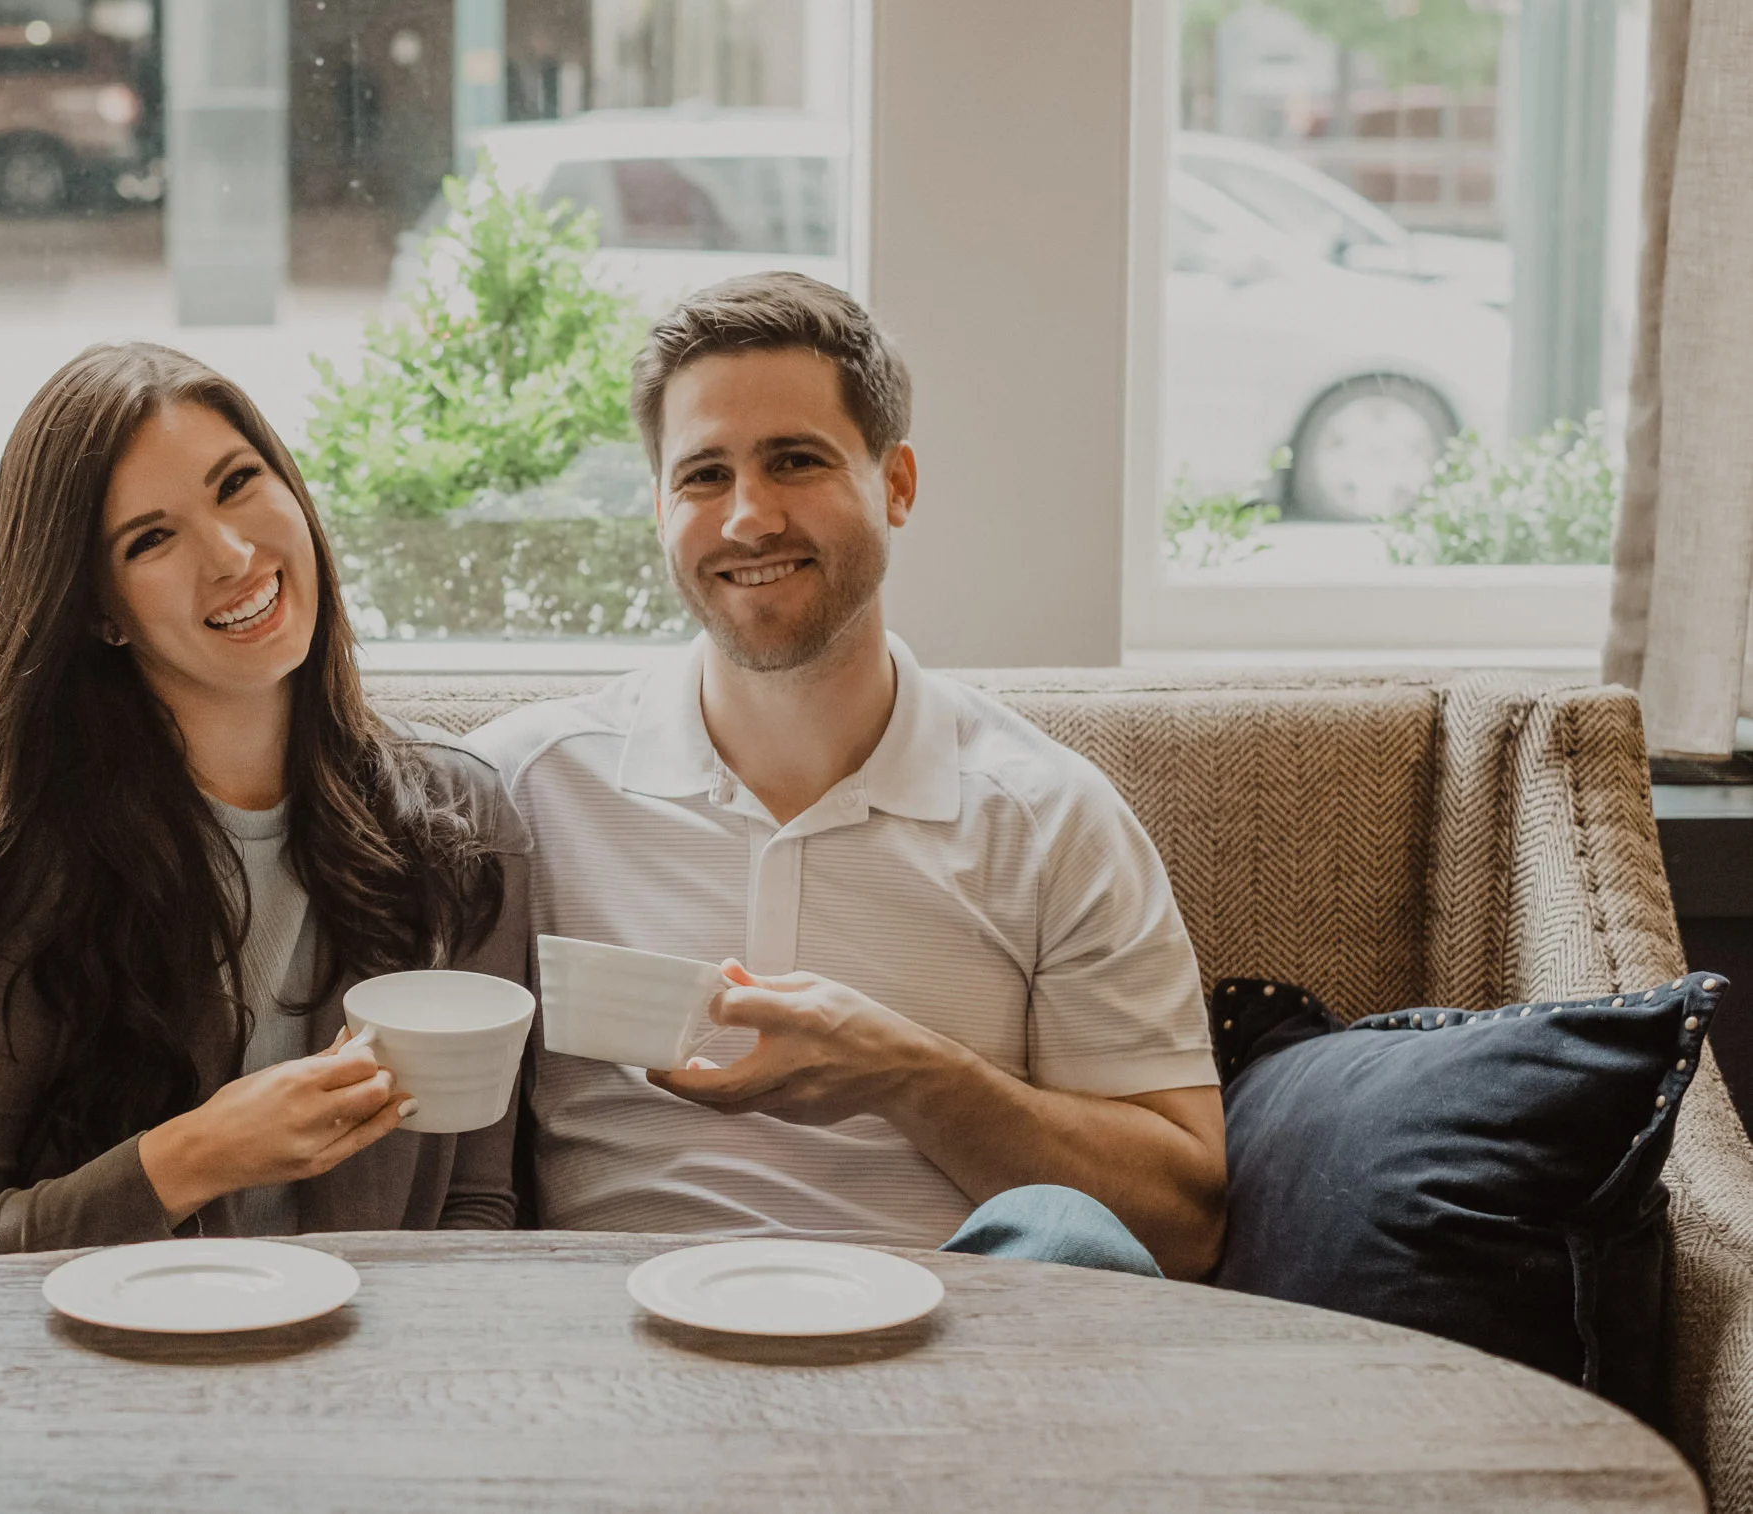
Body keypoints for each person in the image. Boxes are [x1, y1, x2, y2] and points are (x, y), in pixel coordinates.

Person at [470, 272, 1226, 1279]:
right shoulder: (517, 790)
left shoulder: (1052, 817)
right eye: (704, 476)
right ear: (658, 506)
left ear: (896, 484)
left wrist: (909, 1076)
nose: (748, 518)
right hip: (616, 1336)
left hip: (953, 1344)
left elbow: (1182, 1228)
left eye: (796, 461)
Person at [0, 341, 528, 1267]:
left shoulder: (461, 817)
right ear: (98, 611)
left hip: (378, 1348)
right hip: (107, 1352)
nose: (233, 555)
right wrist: (192, 1158)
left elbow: (481, 1201)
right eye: (151, 539)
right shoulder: (11, 867)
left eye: (238, 483)